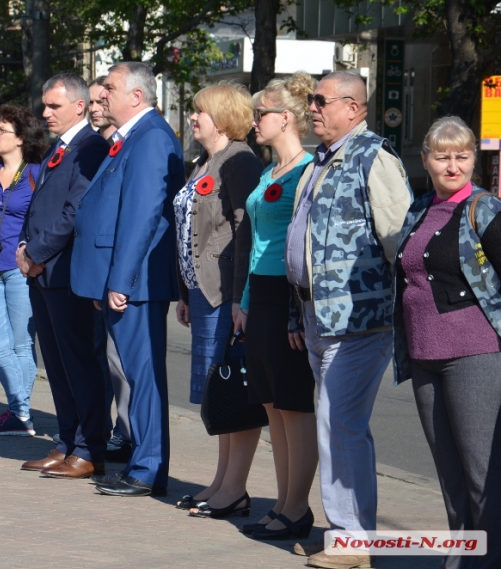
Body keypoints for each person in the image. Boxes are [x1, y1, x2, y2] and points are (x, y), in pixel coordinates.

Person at [284, 71, 411, 569]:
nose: (312, 108)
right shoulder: (322, 158)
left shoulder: (372, 156)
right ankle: (346, 532)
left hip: (359, 319)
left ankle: (353, 540)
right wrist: (300, 310)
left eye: (321, 101)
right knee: (337, 425)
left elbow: (399, 240)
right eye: (312, 100)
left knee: (340, 424)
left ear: (354, 108)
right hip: (319, 316)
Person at [70, 62, 184, 497]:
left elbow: (141, 217)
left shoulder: (151, 137)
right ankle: (144, 461)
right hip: (120, 280)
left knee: (142, 377)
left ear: (136, 96)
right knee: (135, 375)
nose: (102, 98)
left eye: (110, 90)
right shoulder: (131, 136)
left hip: (135, 283)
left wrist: (120, 281)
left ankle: (149, 467)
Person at [392, 116, 501, 569]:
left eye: (462, 156)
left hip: (474, 352)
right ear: (426, 160)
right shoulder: (418, 209)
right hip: (424, 354)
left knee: (482, 474)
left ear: (474, 160)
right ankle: (462, 555)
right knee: (449, 471)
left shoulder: (485, 208)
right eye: (443, 156)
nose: (453, 165)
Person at [168, 82, 263, 517]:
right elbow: (192, 233)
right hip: (203, 295)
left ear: (224, 117)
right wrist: (185, 292)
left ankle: (235, 488)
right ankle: (221, 481)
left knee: (232, 390)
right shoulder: (203, 162)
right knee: (217, 392)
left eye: (199, 111)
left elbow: (246, 232)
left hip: (227, 295)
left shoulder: (240, 160)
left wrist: (241, 297)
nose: (192, 117)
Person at [230, 73, 318, 539]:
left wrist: (297, 309)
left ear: (285, 118)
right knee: (272, 406)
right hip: (260, 296)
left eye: (261, 113)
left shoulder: (307, 170)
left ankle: (298, 508)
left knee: (294, 404)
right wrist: (243, 301)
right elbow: (256, 240)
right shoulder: (269, 172)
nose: (254, 121)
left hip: (288, 296)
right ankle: (284, 501)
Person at [17, 73, 111, 478]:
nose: (45, 113)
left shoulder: (91, 148)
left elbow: (75, 212)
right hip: (43, 274)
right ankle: (67, 441)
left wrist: (35, 253)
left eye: (54, 106)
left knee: (79, 364)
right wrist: (24, 248)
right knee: (56, 364)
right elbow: (40, 204)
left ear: (78, 106)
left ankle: (90, 449)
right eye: (44, 105)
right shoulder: (61, 146)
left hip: (67, 273)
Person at [0, 105, 48, 436]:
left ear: (20, 139)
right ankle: (20, 412)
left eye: (1, 129)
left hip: (21, 271)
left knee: (22, 345)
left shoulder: (36, 174)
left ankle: (18, 413)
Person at [89, 74, 131, 461]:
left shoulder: (125, 146)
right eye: (92, 102)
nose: (95, 108)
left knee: (121, 361)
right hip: (94, 273)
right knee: (103, 357)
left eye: (103, 100)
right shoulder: (98, 147)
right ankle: (110, 428)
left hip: (116, 273)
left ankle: (127, 432)